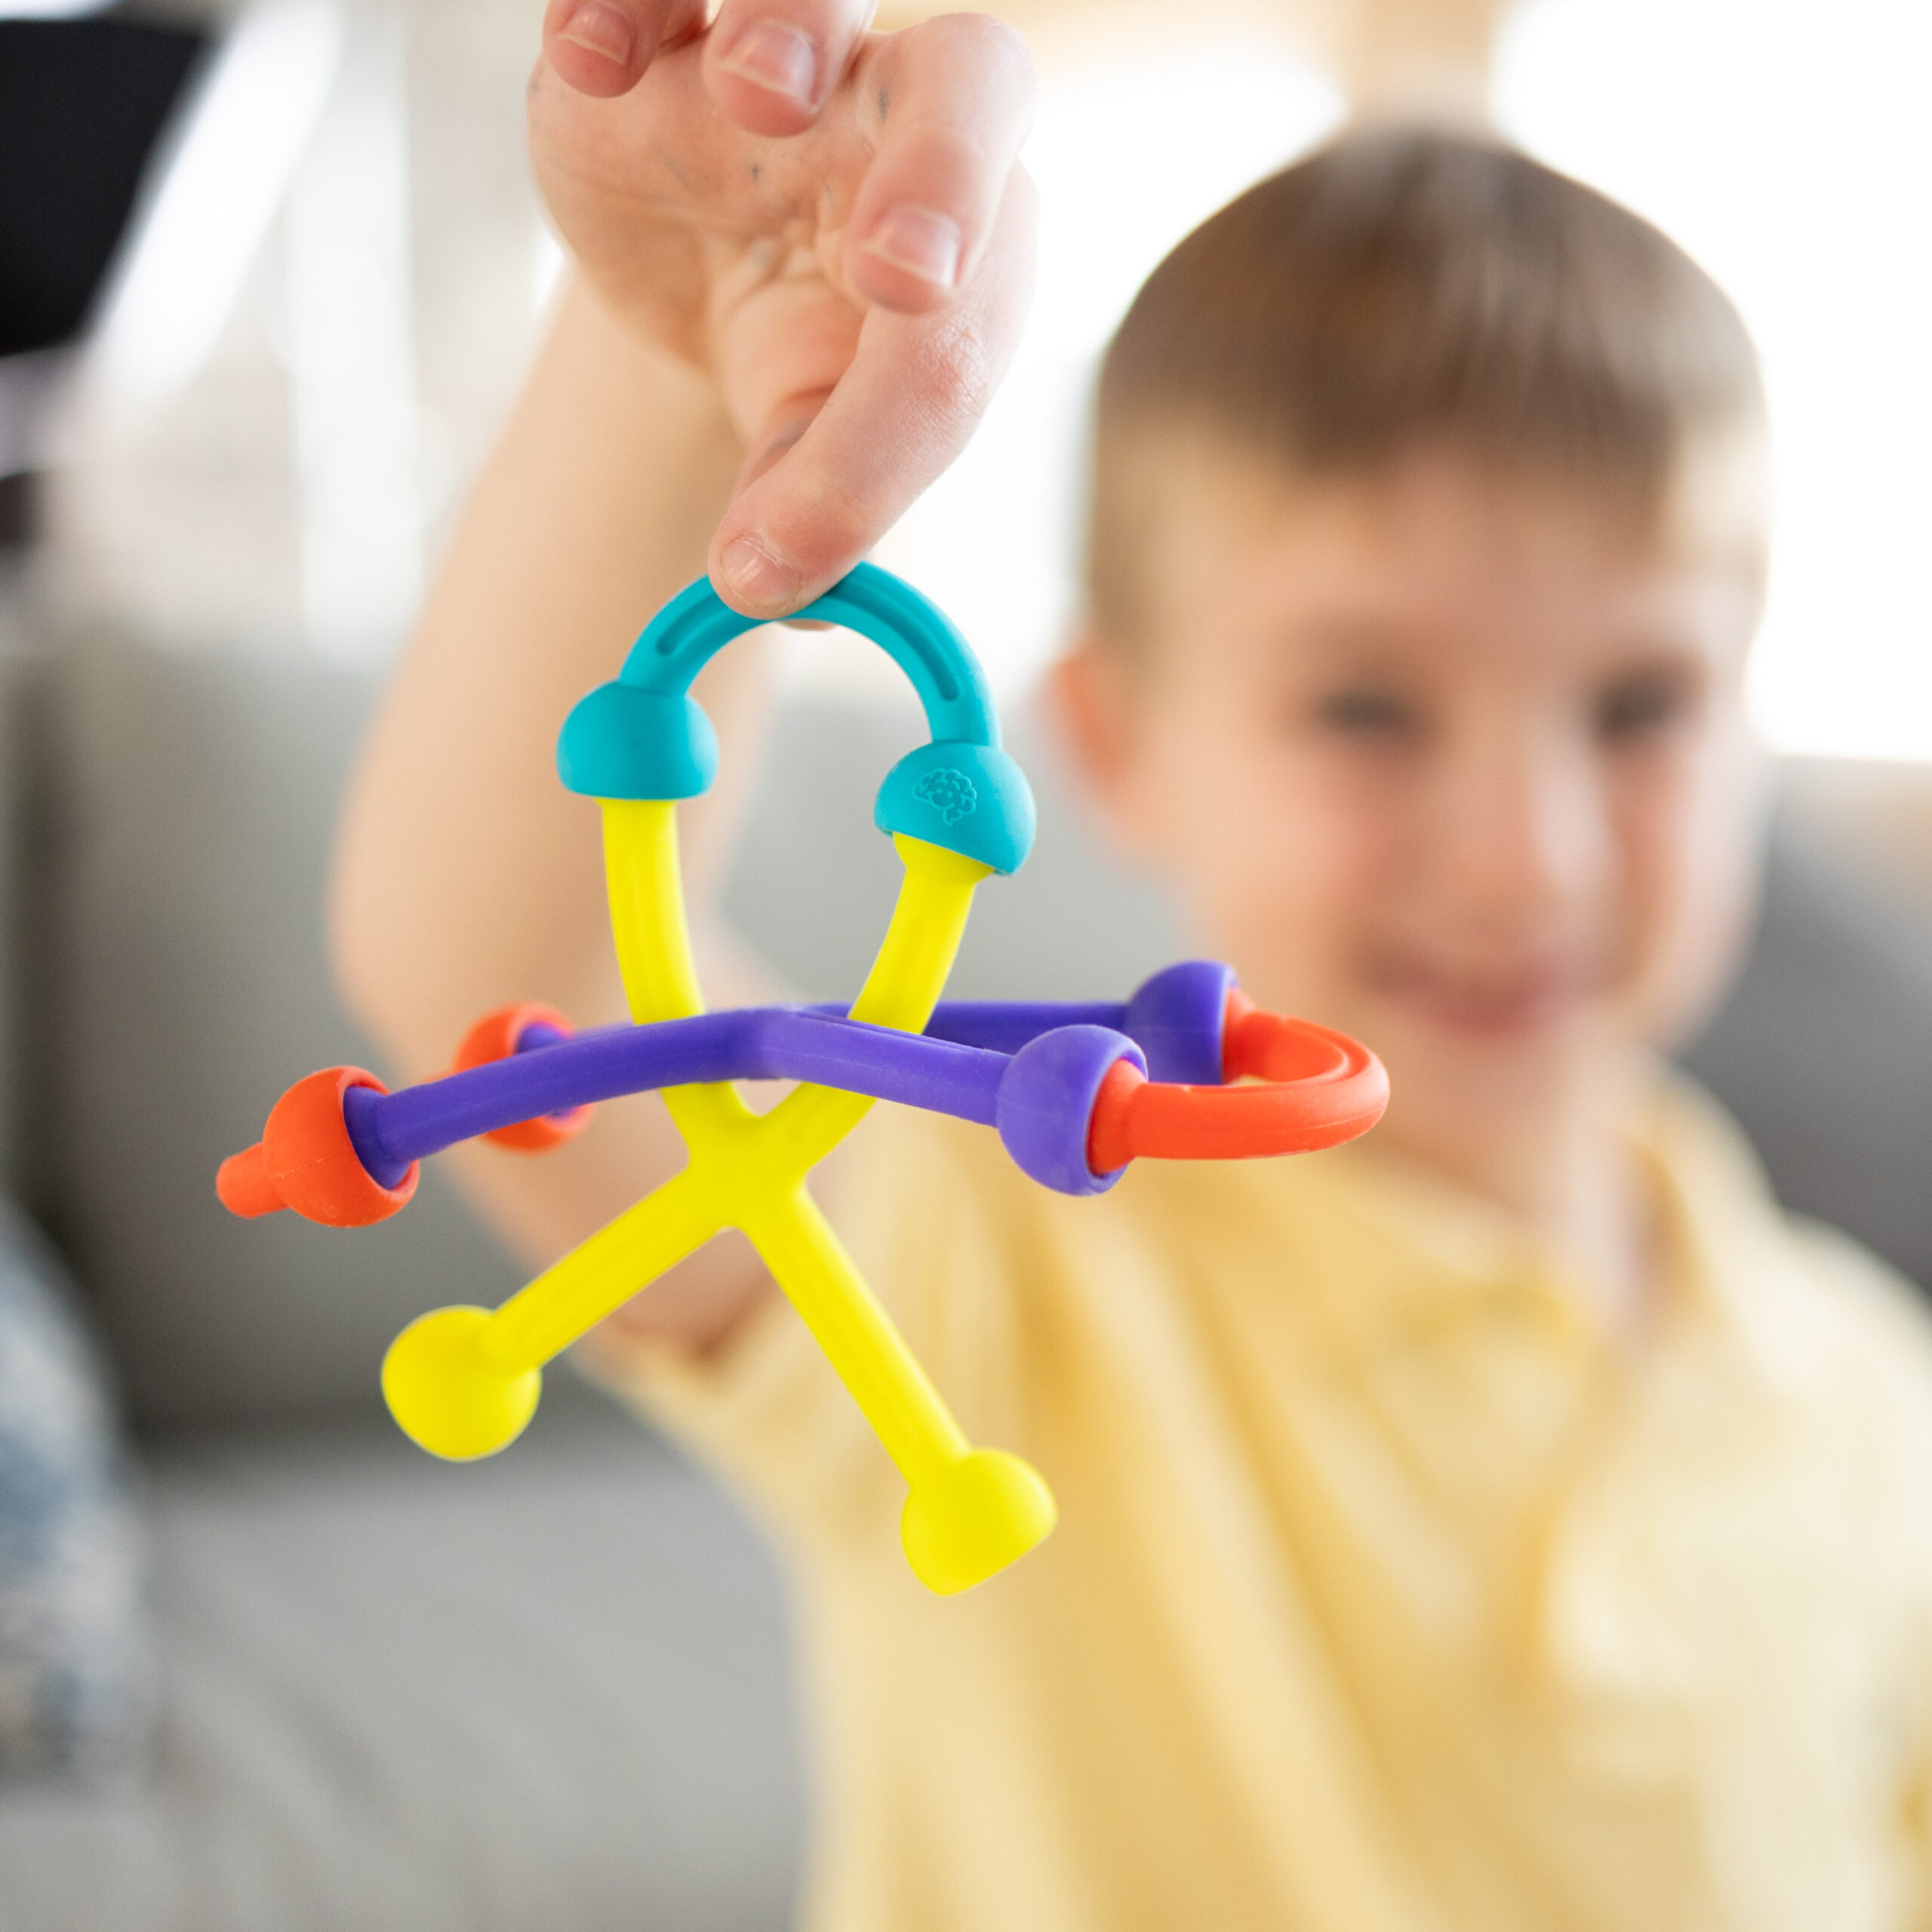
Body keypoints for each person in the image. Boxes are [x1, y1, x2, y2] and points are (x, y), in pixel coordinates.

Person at [331, 6, 1932, 1926]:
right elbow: (525, 988)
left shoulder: (1867, 1387)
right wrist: (668, 358)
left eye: (1638, 703)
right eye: (1364, 705)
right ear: (1110, 738)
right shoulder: (999, 1265)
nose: (1529, 853)